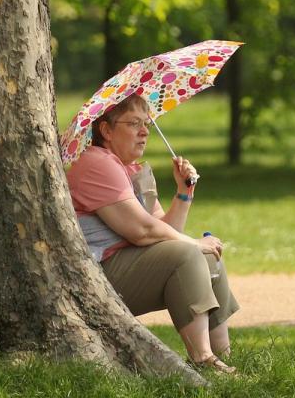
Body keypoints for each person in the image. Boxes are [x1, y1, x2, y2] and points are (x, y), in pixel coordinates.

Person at [66, 94, 239, 374]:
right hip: (96, 275)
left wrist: (184, 194)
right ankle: (204, 360)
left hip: (127, 264)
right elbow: (142, 232)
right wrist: (194, 244)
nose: (145, 131)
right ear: (106, 130)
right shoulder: (96, 163)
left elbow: (164, 231)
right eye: (134, 123)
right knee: (189, 253)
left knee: (209, 259)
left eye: (146, 123)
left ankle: (225, 356)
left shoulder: (132, 169)